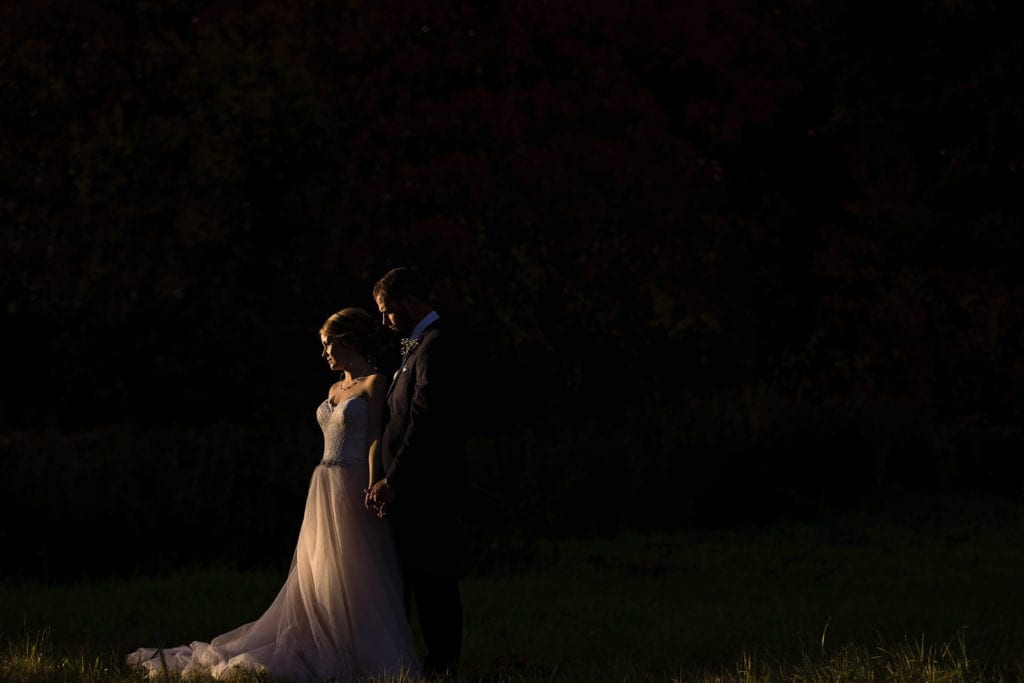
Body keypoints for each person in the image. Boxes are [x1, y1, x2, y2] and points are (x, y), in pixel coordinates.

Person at [127, 307, 419, 682]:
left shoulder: (374, 383)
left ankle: (358, 642)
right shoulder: (333, 389)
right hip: (324, 485)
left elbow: (377, 437)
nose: (325, 353)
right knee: (320, 571)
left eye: (329, 345)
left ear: (347, 342)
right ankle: (323, 633)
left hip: (353, 482)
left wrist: (374, 480)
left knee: (356, 566)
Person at [366, 266, 467, 680]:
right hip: (409, 488)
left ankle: (442, 665)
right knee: (412, 577)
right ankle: (414, 660)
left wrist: (396, 478)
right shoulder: (414, 343)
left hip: (424, 487)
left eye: (388, 311)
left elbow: (426, 419)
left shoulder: (438, 344)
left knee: (432, 579)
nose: (385, 321)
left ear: (408, 302)